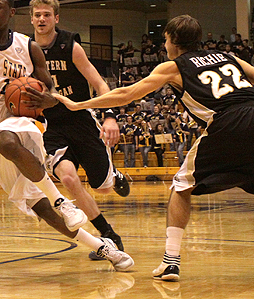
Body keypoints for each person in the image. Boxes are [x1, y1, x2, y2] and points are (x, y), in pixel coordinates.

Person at [0, 0, 133, 272]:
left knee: (7, 140)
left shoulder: (27, 47)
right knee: (39, 207)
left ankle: (62, 200)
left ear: (11, 13)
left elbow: (49, 88)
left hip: (22, 122)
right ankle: (104, 247)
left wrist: (50, 99)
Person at [55, 14, 254, 281]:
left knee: (181, 186)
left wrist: (79, 105)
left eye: (166, 39)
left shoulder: (173, 66)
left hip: (227, 121)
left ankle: (171, 262)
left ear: (172, 40)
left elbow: (126, 94)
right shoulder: (228, 57)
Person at [28, 0, 130, 261]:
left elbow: (100, 84)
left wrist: (109, 115)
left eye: (46, 15)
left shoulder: (70, 46)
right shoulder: (25, 49)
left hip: (81, 119)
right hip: (51, 125)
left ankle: (115, 175)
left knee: (103, 188)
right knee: (69, 179)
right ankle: (107, 234)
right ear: (31, 19)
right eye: (37, 15)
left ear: (56, 18)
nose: (41, 19)